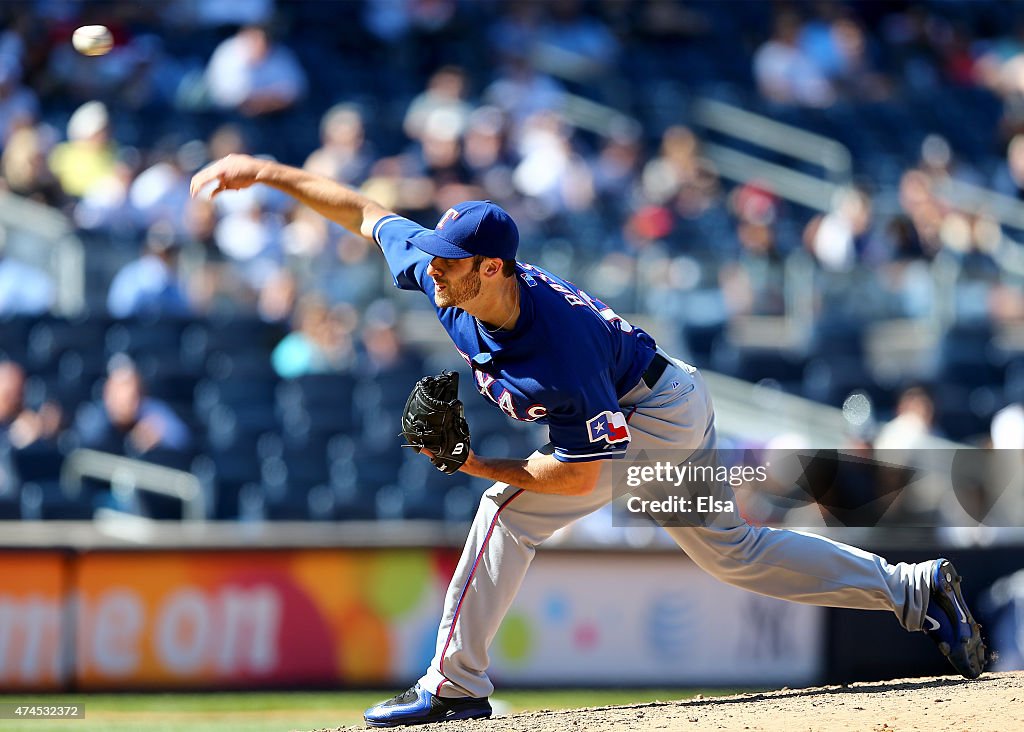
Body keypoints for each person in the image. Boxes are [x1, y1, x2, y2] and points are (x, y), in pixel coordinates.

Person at [190, 154, 988, 727]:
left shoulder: (559, 351)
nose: (433, 273)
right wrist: (263, 171)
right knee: (732, 550)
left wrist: (471, 463)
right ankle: (913, 589)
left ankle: (453, 684)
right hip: (664, 397)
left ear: (496, 268)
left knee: (508, 509)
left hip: (654, 416)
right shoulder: (445, 277)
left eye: (452, 264)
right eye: (433, 259)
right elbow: (363, 212)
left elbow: (577, 482)